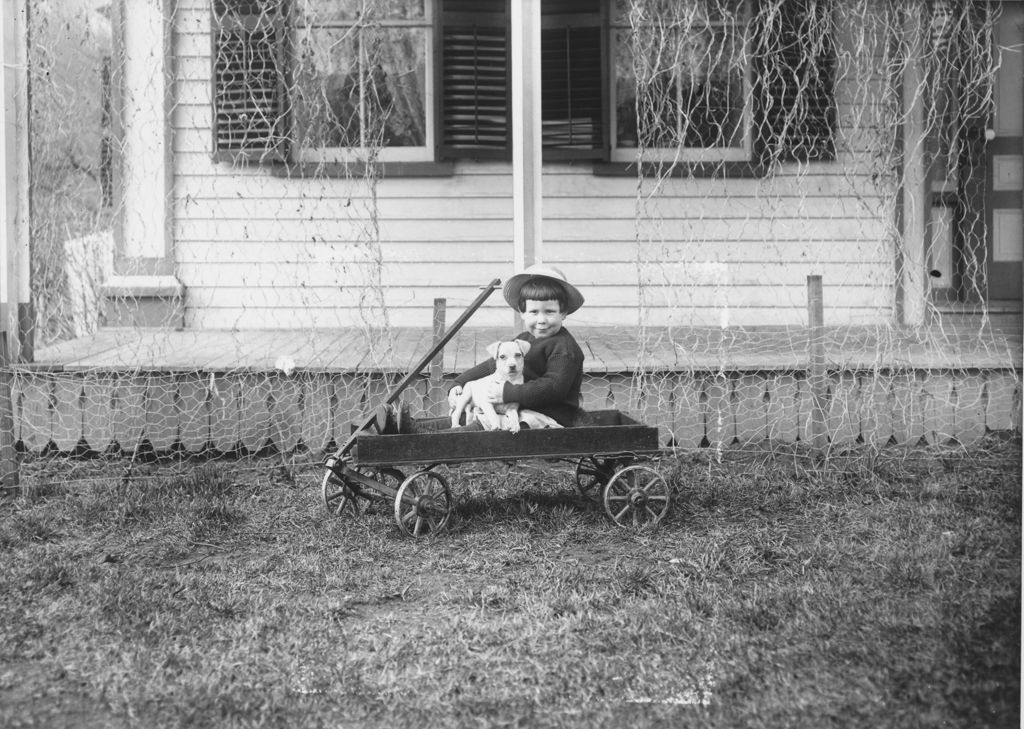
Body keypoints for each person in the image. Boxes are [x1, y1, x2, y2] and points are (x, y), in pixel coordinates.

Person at [377, 264, 586, 433]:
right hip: (518, 406)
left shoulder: (564, 348)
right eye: (533, 312)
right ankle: (408, 427)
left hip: (548, 417)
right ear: (522, 313)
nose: (541, 320)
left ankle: (422, 436)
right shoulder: (523, 340)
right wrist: (460, 382)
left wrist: (508, 392)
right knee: (469, 413)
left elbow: (554, 388)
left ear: (564, 312)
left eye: (549, 312)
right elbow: (492, 366)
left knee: (485, 422)